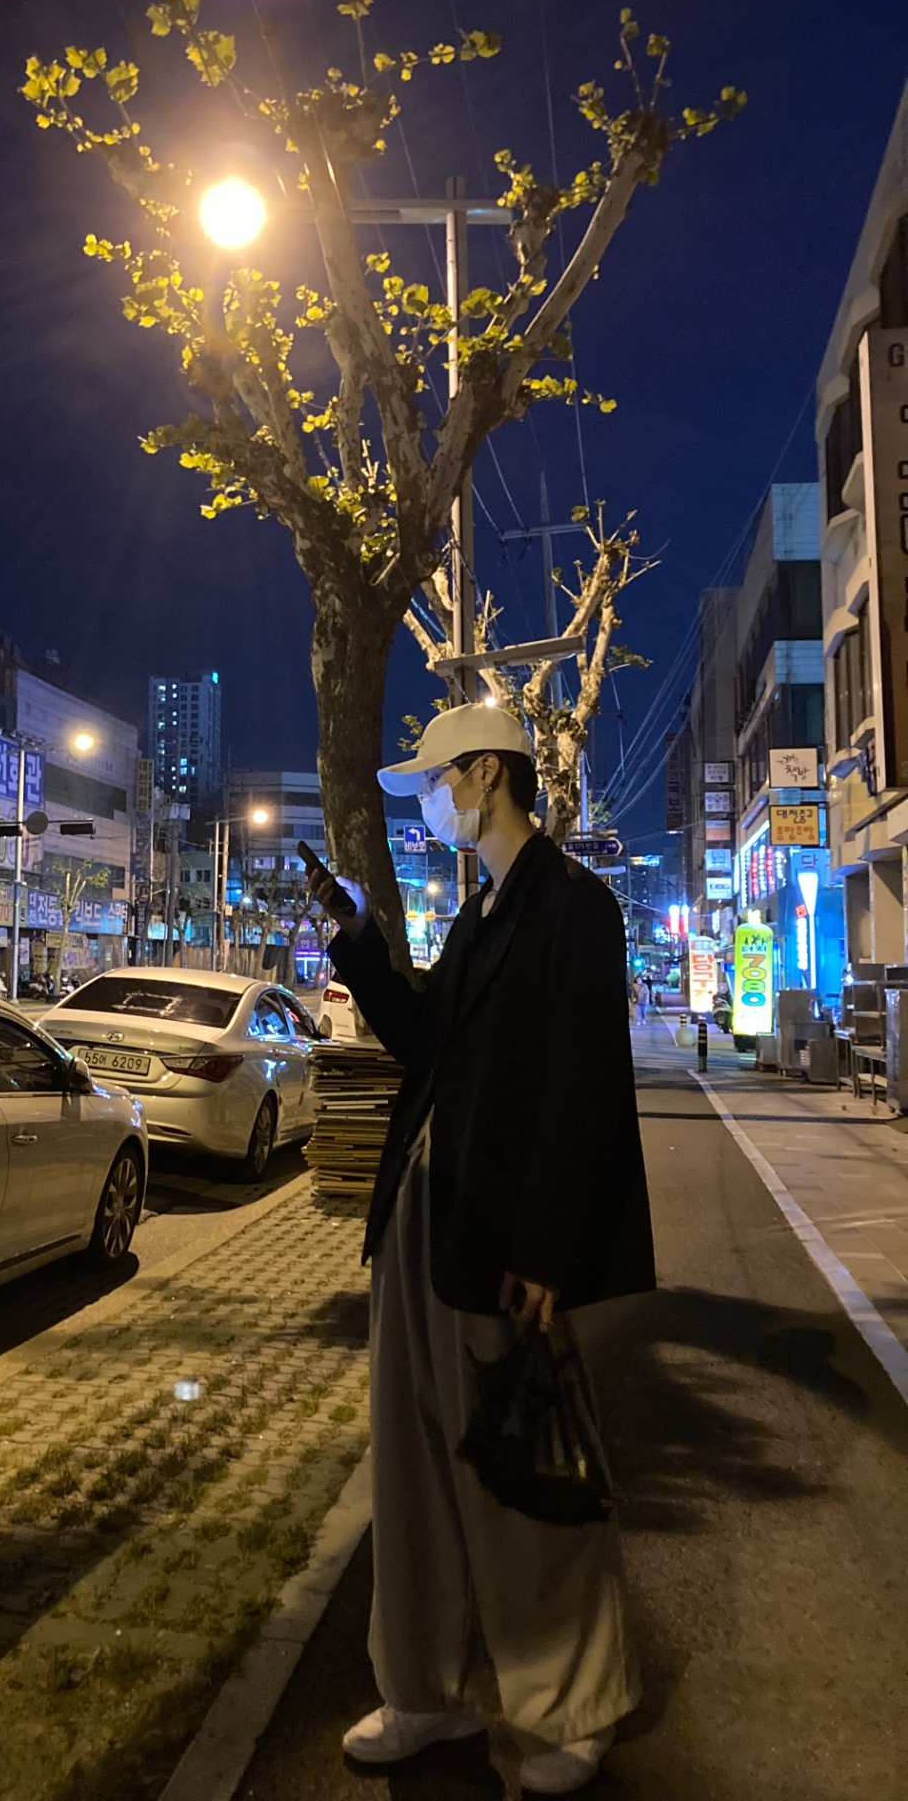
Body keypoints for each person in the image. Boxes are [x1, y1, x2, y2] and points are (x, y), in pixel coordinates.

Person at [305, 700, 654, 1796]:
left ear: (490, 773)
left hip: (501, 1235)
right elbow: (423, 1044)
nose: (434, 802)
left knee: (519, 1472)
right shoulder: (480, 914)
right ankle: (426, 1689)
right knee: (411, 1468)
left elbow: (584, 1089)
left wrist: (548, 1250)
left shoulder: (572, 909)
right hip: (423, 1220)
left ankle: (574, 1706)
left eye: (442, 781)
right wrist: (357, 942)